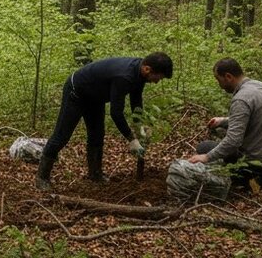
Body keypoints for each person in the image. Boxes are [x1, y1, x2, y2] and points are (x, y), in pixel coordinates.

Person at [36, 52, 174, 191]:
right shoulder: (124, 76)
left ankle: (95, 174)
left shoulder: (139, 74)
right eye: (158, 77)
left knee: (97, 135)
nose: (157, 82)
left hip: (96, 97)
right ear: (147, 69)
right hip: (76, 93)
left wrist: (140, 127)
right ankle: (42, 178)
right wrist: (131, 139)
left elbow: (136, 102)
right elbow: (116, 113)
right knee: (62, 136)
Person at [187, 58, 262, 188]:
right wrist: (223, 121)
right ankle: (258, 175)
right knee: (212, 143)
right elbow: (252, 119)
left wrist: (207, 157)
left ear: (228, 77)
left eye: (218, 79)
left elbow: (233, 141)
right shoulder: (260, 86)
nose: (219, 84)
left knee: (203, 149)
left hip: (255, 163)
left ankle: (252, 178)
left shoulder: (241, 99)